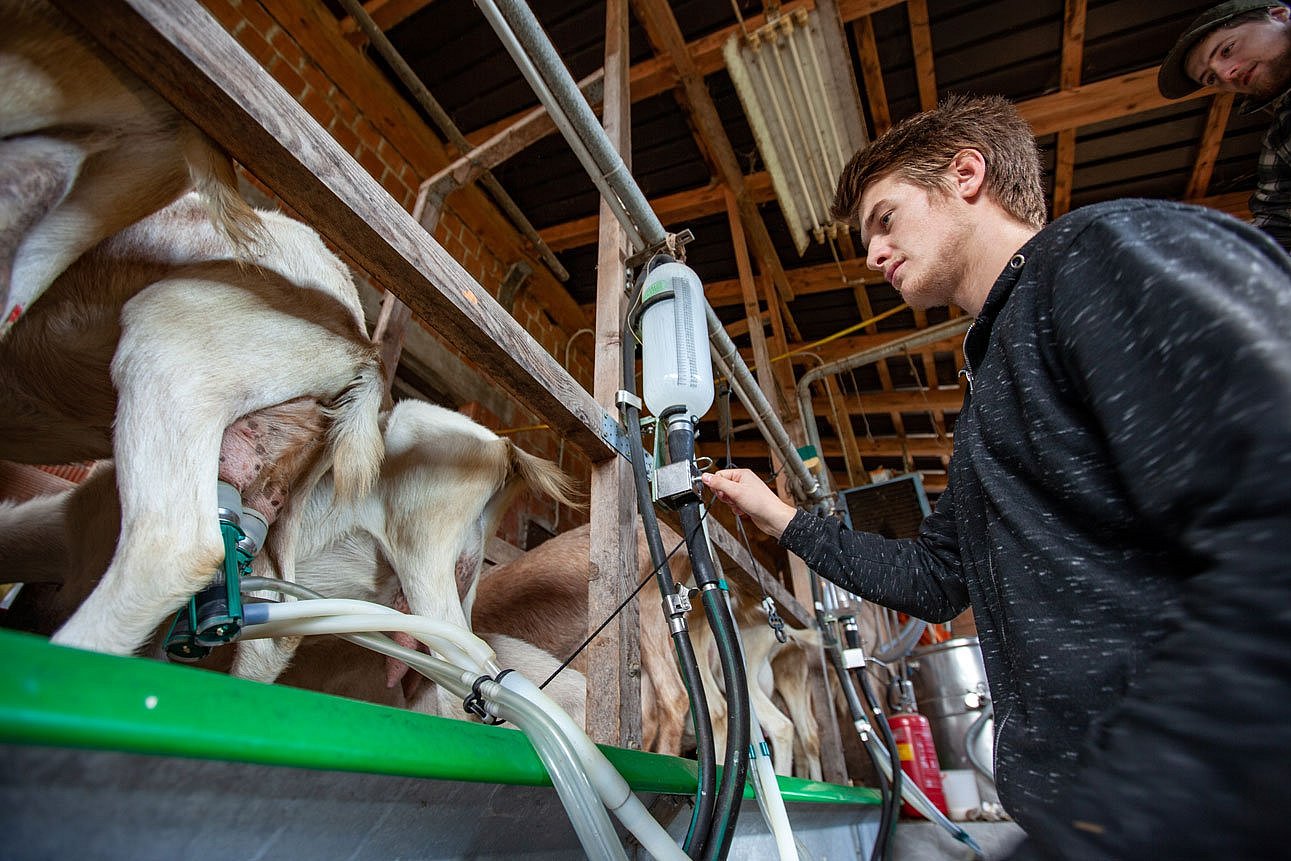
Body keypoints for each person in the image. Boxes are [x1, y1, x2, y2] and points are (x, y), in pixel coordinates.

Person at [702, 93, 1291, 858]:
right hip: (1087, 809)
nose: (872, 254)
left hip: (1184, 814)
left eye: (884, 218)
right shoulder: (991, 392)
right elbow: (935, 576)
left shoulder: (1099, 254)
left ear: (967, 174)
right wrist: (781, 518)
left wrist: (1122, 814)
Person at [1159, 1, 1291, 252]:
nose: (1226, 74)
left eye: (1227, 50)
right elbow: (1275, 231)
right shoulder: (1279, 141)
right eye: (1211, 78)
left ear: (1278, 14)